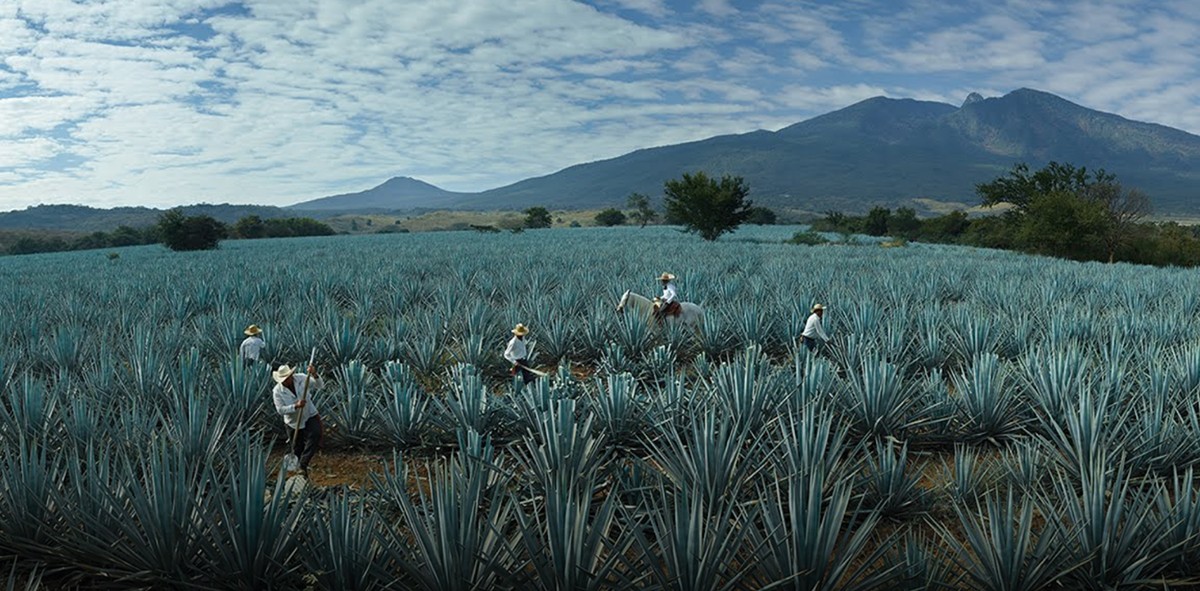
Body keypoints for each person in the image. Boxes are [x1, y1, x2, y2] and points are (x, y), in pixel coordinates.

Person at [272, 363, 323, 478]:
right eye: (284, 379)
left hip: (309, 414)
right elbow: (280, 410)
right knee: (297, 447)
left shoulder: (301, 378)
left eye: (287, 378)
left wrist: (314, 374)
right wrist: (295, 406)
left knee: (315, 434)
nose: (286, 381)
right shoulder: (277, 391)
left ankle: (303, 464)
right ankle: (299, 475)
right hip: (293, 421)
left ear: (291, 375)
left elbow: (319, 385)